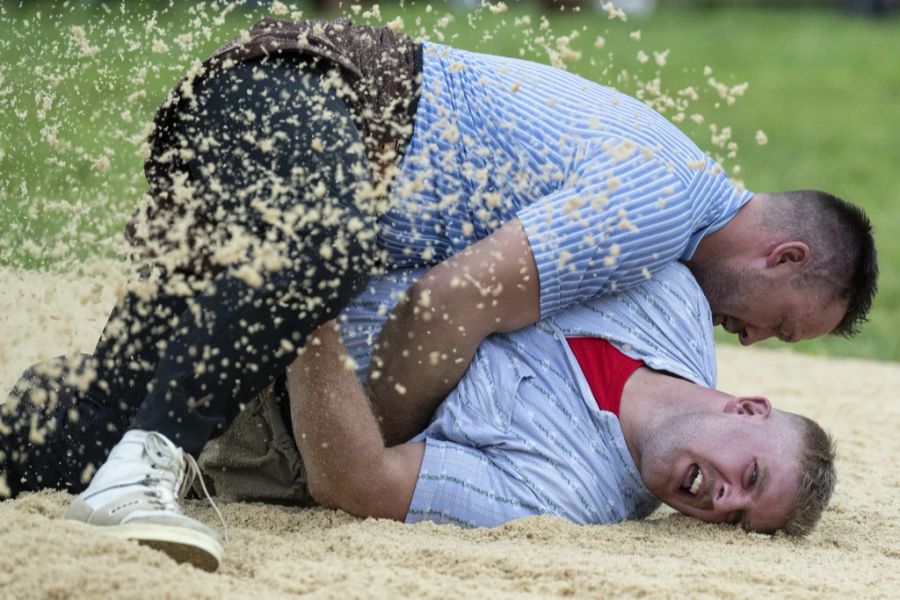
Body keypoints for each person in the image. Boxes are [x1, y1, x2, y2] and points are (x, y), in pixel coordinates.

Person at [0, 17, 871, 570]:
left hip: (279, 216)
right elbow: (444, 305)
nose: (755, 340)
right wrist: (363, 394)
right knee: (324, 252)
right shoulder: (666, 229)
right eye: (784, 328)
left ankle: (100, 443)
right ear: (750, 411)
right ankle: (140, 475)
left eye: (739, 521)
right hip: (326, 104)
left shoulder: (658, 287)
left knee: (64, 432)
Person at [203, 264, 835, 550]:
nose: (722, 502)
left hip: (265, 402)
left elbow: (355, 481)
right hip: (349, 254)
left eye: (736, 521)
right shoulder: (669, 300)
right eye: (750, 478)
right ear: (747, 410)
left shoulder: (571, 499)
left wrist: (307, 307)